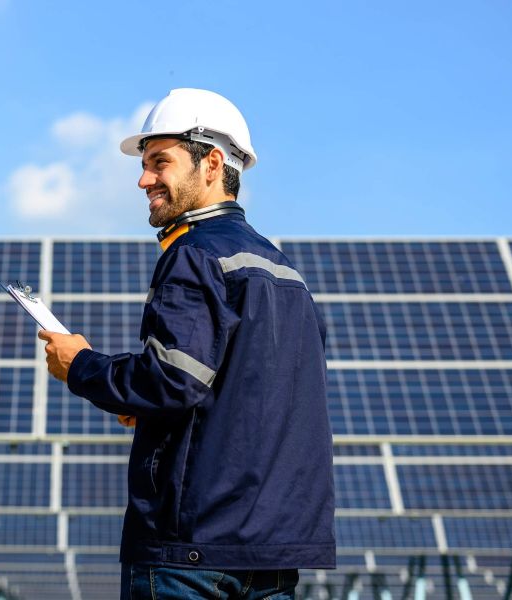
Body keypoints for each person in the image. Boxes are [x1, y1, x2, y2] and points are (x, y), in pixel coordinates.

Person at [40, 88, 334, 600]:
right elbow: (247, 397)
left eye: (160, 163)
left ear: (212, 163)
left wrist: (80, 365)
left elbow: (172, 381)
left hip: (190, 555)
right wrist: (154, 410)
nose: (143, 178)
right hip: (271, 553)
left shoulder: (194, 255)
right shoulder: (288, 275)